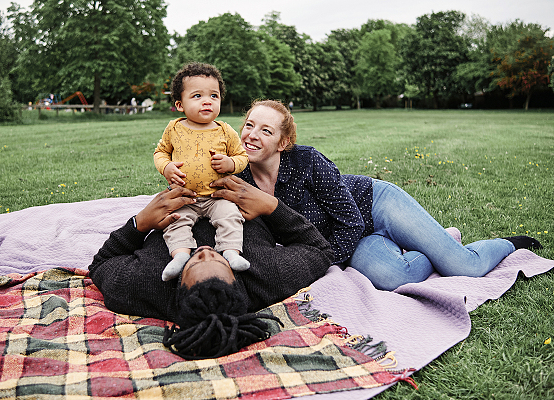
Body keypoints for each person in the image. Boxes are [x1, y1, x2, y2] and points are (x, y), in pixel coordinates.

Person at [215, 99, 544, 291]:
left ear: (283, 143)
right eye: (249, 125)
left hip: (374, 206)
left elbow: (350, 220)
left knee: (463, 266)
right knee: (390, 277)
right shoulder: (238, 176)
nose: (251, 135)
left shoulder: (307, 160)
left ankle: (504, 244)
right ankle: (431, 245)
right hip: (354, 239)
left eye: (265, 130)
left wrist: (327, 264)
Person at [88, 181, 333, 359]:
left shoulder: (142, 283)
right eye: (217, 260)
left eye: (194, 261)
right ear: (237, 278)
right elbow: (320, 250)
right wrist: (271, 206)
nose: (205, 249)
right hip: (236, 192)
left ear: (178, 283)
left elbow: (101, 263)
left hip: (184, 194)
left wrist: (139, 223)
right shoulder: (269, 274)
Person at [153, 62, 250, 281]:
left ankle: (231, 253)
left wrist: (230, 164)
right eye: (197, 96)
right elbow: (160, 153)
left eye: (214, 96)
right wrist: (166, 167)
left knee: (231, 216)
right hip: (184, 196)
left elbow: (242, 156)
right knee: (175, 220)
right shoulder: (174, 128)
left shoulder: (225, 130)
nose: (207, 101)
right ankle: (179, 256)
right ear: (180, 104)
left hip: (217, 196)